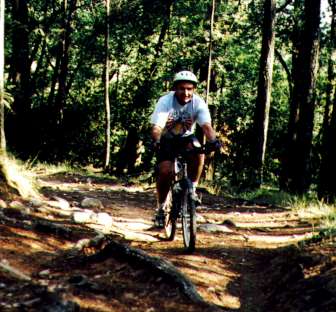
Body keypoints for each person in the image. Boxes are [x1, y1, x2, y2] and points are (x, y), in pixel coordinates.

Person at [150, 70, 221, 227]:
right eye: (182, 88)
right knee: (165, 172)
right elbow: (157, 127)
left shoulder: (198, 103)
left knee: (198, 151)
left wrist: (214, 140)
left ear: (194, 89)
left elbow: (206, 126)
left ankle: (192, 190)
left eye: (189, 89)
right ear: (175, 88)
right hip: (167, 140)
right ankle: (161, 208)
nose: (186, 92)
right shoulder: (165, 101)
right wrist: (155, 140)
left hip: (186, 139)